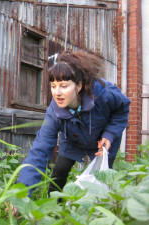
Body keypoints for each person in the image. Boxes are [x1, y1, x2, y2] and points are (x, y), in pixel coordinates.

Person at [18, 50, 130, 196]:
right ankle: (54, 207)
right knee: (60, 170)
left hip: (102, 140)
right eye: (53, 86)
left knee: (102, 177)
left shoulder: (103, 94)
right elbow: (40, 149)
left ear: (78, 86)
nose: (57, 93)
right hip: (73, 138)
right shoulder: (54, 112)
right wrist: (21, 193)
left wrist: (109, 134)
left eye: (64, 86)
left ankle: (98, 210)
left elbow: (122, 108)